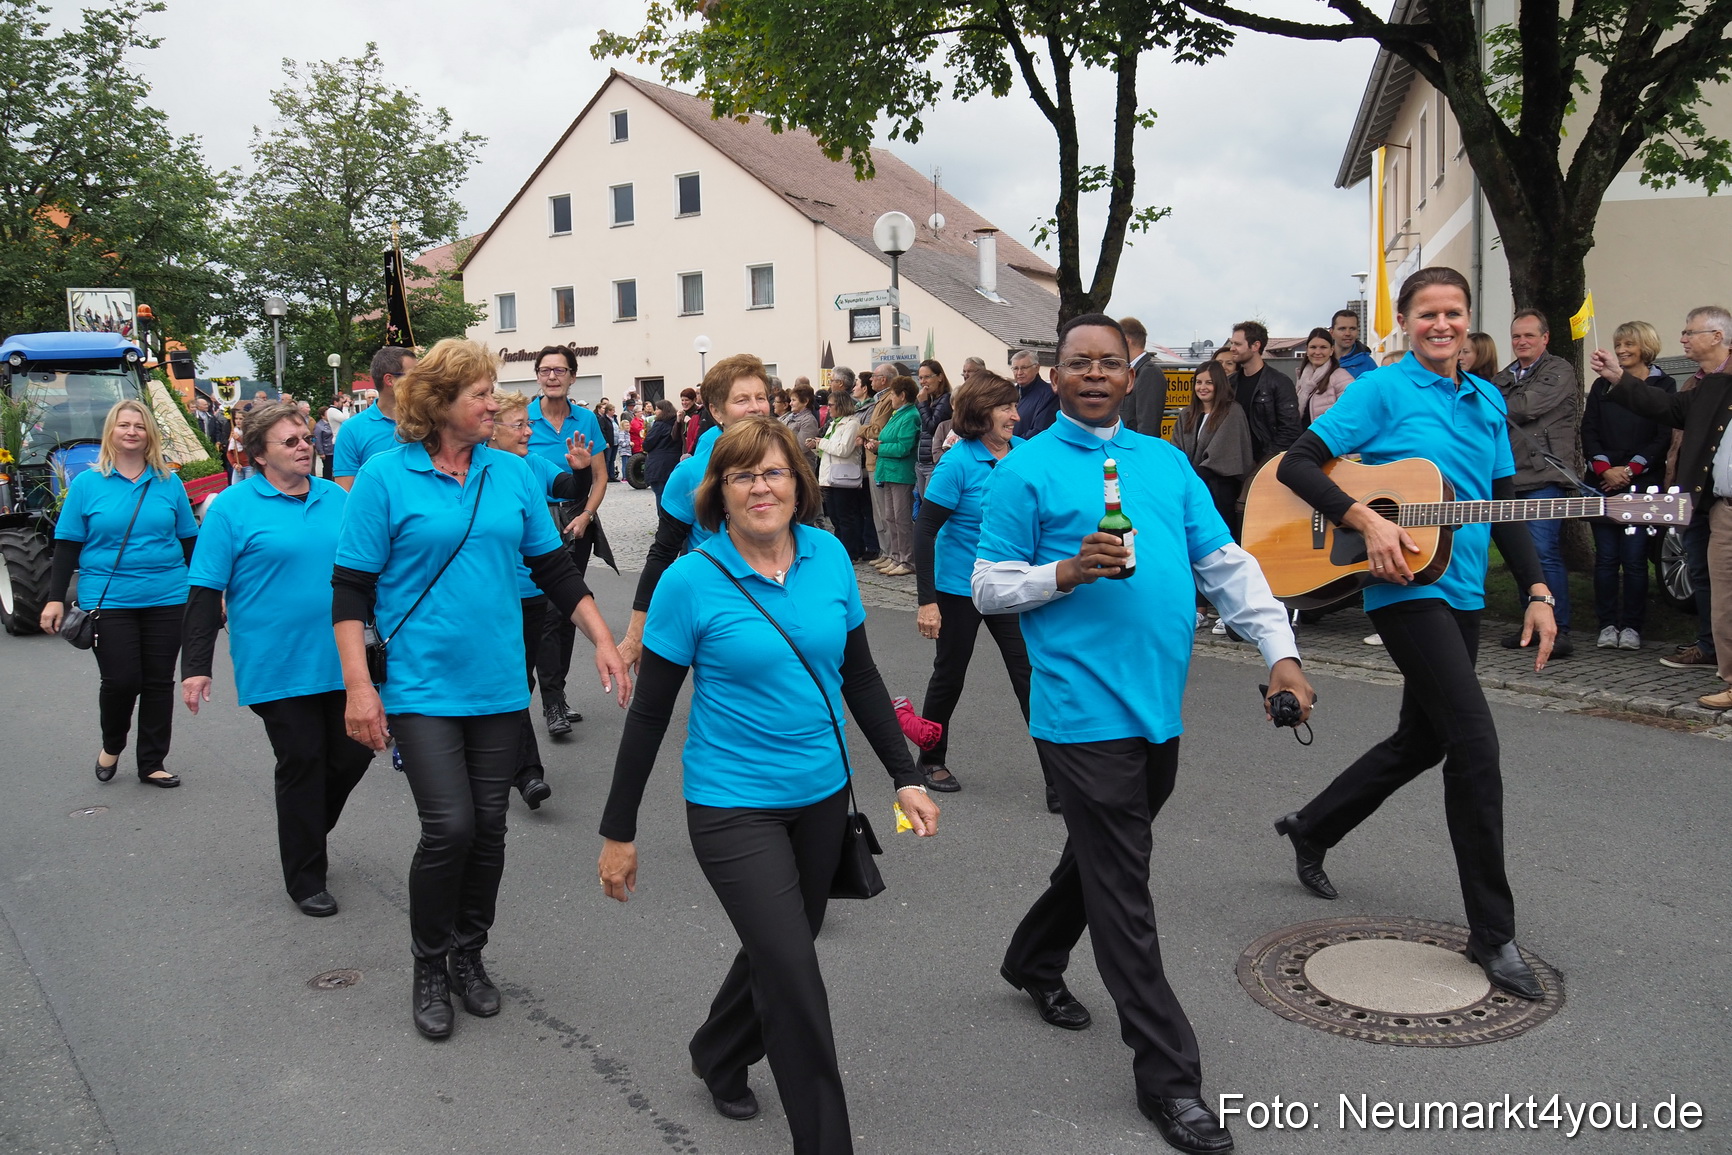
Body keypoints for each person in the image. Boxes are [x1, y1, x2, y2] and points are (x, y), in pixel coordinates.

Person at [974, 314, 1309, 1155]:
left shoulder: (1164, 464)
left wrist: (1282, 653)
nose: (1093, 374)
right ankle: (1170, 1079)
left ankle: (1032, 956)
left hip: (1157, 706)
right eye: (1077, 363)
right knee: (1126, 890)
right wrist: (1064, 571)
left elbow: (1225, 564)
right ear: (1054, 376)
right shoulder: (1028, 471)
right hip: (1079, 714)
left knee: (1102, 855)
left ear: (1131, 375)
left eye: (1108, 363)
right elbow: (986, 583)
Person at [596, 416, 940, 1154]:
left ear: (799, 482)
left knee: (781, 945)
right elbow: (650, 713)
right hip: (731, 806)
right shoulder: (691, 579)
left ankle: (718, 1051)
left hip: (821, 796)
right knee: (795, 976)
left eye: (775, 471)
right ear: (716, 491)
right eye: (743, 474)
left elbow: (861, 676)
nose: (761, 486)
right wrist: (618, 831)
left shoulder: (828, 557)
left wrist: (904, 777)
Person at [1273, 265, 1558, 1005]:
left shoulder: (1488, 398)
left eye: (1454, 312)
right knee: (1474, 742)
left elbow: (1501, 501)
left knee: (1423, 739)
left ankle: (1311, 825)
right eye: (1427, 313)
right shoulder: (1381, 389)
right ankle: (1492, 931)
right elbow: (1299, 464)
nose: (1442, 324)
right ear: (1405, 322)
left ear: (1469, 319)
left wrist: (1536, 589)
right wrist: (1364, 517)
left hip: (1461, 591)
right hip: (1402, 587)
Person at [331, 338, 630, 1040]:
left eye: (493, 390)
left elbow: (554, 567)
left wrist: (601, 637)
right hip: (420, 686)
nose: (493, 402)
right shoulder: (384, 475)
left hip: (498, 685)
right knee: (450, 828)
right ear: (438, 403)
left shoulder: (511, 474)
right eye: (480, 393)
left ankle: (470, 953)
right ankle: (429, 963)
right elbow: (350, 588)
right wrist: (357, 689)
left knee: (490, 832)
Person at [180, 402, 371, 915]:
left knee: (353, 754)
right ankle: (306, 877)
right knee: (303, 760)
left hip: (344, 659)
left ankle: (304, 826)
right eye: (290, 442)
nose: (305, 446)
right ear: (260, 454)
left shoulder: (337, 498)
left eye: (306, 437)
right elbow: (203, 591)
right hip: (277, 663)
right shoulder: (231, 509)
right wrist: (196, 666)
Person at [40, 399, 198, 789]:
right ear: (111, 431)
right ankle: (113, 744)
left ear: (149, 435)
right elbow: (66, 546)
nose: (131, 431)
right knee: (122, 680)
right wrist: (54, 597)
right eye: (124, 425)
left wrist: (207, 595)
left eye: (139, 426)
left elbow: (190, 542)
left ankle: (152, 762)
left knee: (159, 682)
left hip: (168, 594)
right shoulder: (87, 484)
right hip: (108, 598)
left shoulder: (168, 482)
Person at [1591, 305, 1732, 706]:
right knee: (1722, 594)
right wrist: (1618, 379)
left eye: (1691, 332)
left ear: (1717, 337)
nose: (1683, 338)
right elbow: (1669, 410)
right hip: (1716, 504)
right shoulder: (1707, 385)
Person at [912, 373, 1040, 801]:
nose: (1015, 415)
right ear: (981, 411)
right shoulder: (958, 462)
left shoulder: (1024, 454)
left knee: (1030, 676)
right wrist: (927, 602)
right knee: (949, 674)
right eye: (1006, 407)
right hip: (958, 587)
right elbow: (925, 530)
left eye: (1015, 406)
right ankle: (930, 759)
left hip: (1009, 586)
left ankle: (1060, 775)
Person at [615, 355, 773, 672]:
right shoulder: (691, 473)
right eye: (742, 399)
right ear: (716, 411)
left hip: (780, 596)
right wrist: (636, 634)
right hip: (721, 605)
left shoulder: (785, 456)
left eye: (761, 397)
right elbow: (662, 553)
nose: (756, 407)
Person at [487, 390, 598, 809]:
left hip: (536, 593)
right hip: (497, 598)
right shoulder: (480, 473)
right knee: (514, 682)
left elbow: (569, 488)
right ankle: (528, 773)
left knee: (522, 680)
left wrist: (583, 472)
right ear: (492, 431)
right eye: (518, 425)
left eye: (527, 423)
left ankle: (503, 755)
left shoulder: (532, 464)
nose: (528, 430)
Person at [526, 346, 609, 737]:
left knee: (568, 607)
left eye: (560, 370)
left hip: (576, 518)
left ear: (573, 376)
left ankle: (556, 695)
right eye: (545, 370)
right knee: (546, 611)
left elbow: (599, 476)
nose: (552, 376)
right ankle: (552, 700)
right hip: (535, 520)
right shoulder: (521, 420)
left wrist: (586, 514)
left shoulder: (587, 419)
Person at [1492, 309, 1583, 657]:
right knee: (1521, 556)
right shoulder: (1504, 377)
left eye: (1529, 336)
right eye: (1516, 336)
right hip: (1510, 477)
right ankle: (1530, 624)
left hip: (1545, 475)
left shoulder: (1559, 370)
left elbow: (1526, 407)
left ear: (1545, 338)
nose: (1522, 342)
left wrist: (1485, 403)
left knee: (1543, 553)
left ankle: (1558, 630)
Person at [1582, 321, 1674, 650]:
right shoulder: (1600, 386)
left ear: (1645, 346)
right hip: (1603, 485)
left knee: (1634, 560)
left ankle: (1633, 627)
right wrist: (1605, 469)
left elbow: (1663, 435)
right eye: (1618, 343)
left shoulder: (1664, 386)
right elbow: (1588, 430)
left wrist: (1631, 470)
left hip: (1642, 485)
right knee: (1606, 558)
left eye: (1628, 344)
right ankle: (1607, 624)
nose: (1621, 349)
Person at [1171, 360, 1254, 537]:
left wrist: (1191, 478)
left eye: (1209, 382)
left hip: (1220, 489)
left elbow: (1222, 454)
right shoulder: (1187, 414)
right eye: (1199, 382)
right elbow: (1176, 450)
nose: (1203, 387)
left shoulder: (1232, 411)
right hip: (1189, 487)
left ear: (1219, 384)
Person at [332, 347, 415, 490]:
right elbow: (346, 493)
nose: (421, 381)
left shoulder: (428, 421)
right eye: (414, 376)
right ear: (390, 380)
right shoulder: (352, 430)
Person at [811, 376, 869, 560]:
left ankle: (851, 551)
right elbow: (828, 449)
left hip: (844, 476)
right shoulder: (834, 424)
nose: (828, 409)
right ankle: (842, 549)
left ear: (841, 405)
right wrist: (816, 446)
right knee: (835, 517)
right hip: (830, 476)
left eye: (831, 405)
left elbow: (843, 449)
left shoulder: (851, 423)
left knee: (846, 517)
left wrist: (822, 443)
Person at [1227, 320, 1301, 462]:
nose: (1232, 348)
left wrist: (1264, 462)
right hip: (1234, 464)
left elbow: (1290, 431)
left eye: (1237, 344)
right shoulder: (1230, 383)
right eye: (1232, 343)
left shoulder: (1279, 383)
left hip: (1264, 463)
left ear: (1255, 346)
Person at [866, 377, 919, 575]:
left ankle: (907, 560)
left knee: (902, 519)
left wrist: (879, 447)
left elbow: (903, 447)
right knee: (890, 517)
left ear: (902, 395)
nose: (891, 400)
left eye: (893, 396)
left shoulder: (910, 415)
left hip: (901, 473)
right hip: (889, 471)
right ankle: (895, 556)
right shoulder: (898, 414)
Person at [1117, 317, 1172, 434]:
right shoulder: (1133, 371)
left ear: (1126, 341)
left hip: (1136, 449)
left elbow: (1148, 425)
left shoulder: (1149, 373)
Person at [1295, 326, 1354, 426]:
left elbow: (1350, 415)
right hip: (1302, 439)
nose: (1317, 352)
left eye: (1323, 347)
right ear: (1307, 350)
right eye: (1313, 347)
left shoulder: (1342, 378)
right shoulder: (1302, 379)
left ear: (1331, 350)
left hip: (1328, 439)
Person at [914, 359, 953, 497]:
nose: (923, 381)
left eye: (927, 377)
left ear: (940, 377)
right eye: (920, 378)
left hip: (933, 462)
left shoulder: (946, 399)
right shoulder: (931, 400)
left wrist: (923, 404)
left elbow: (932, 427)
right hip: (922, 461)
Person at [1010, 349, 1059, 437]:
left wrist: (1013, 445)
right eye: (1015, 368)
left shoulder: (1049, 395)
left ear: (1037, 368)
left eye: (1024, 368)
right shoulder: (1009, 393)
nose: (1019, 373)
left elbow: (1039, 431)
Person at [643, 399, 682, 509]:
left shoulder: (659, 425)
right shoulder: (677, 423)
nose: (655, 411)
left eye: (657, 409)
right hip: (674, 463)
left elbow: (647, 444)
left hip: (659, 465)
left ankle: (663, 522)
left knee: (660, 494)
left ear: (664, 411)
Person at [783, 381, 822, 475]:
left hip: (801, 468)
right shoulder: (788, 416)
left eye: (794, 400)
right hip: (787, 464)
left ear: (805, 401)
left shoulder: (809, 421)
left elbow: (801, 447)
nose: (790, 403)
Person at [1330, 309, 1377, 378]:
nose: (1348, 333)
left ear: (1357, 331)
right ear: (1332, 332)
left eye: (1352, 329)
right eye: (1342, 329)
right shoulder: (1321, 359)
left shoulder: (1368, 364)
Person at [313, 408, 336, 479]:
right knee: (327, 468)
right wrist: (321, 452)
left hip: (333, 449)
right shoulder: (319, 426)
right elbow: (318, 440)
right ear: (322, 416)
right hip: (326, 451)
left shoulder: (331, 423)